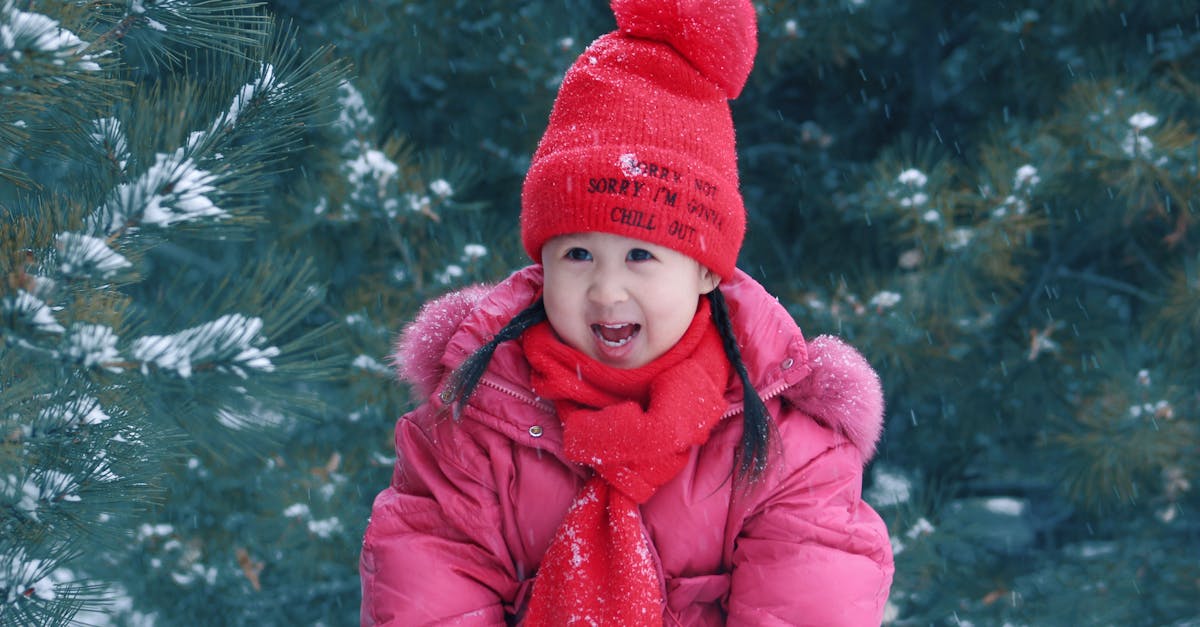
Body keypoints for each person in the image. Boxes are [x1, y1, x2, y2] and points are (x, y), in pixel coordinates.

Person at [359, 0, 894, 624]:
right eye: (578, 254)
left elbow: (805, 601)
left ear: (705, 270)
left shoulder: (780, 442)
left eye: (640, 255)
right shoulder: (476, 419)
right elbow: (431, 582)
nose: (607, 291)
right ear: (541, 264)